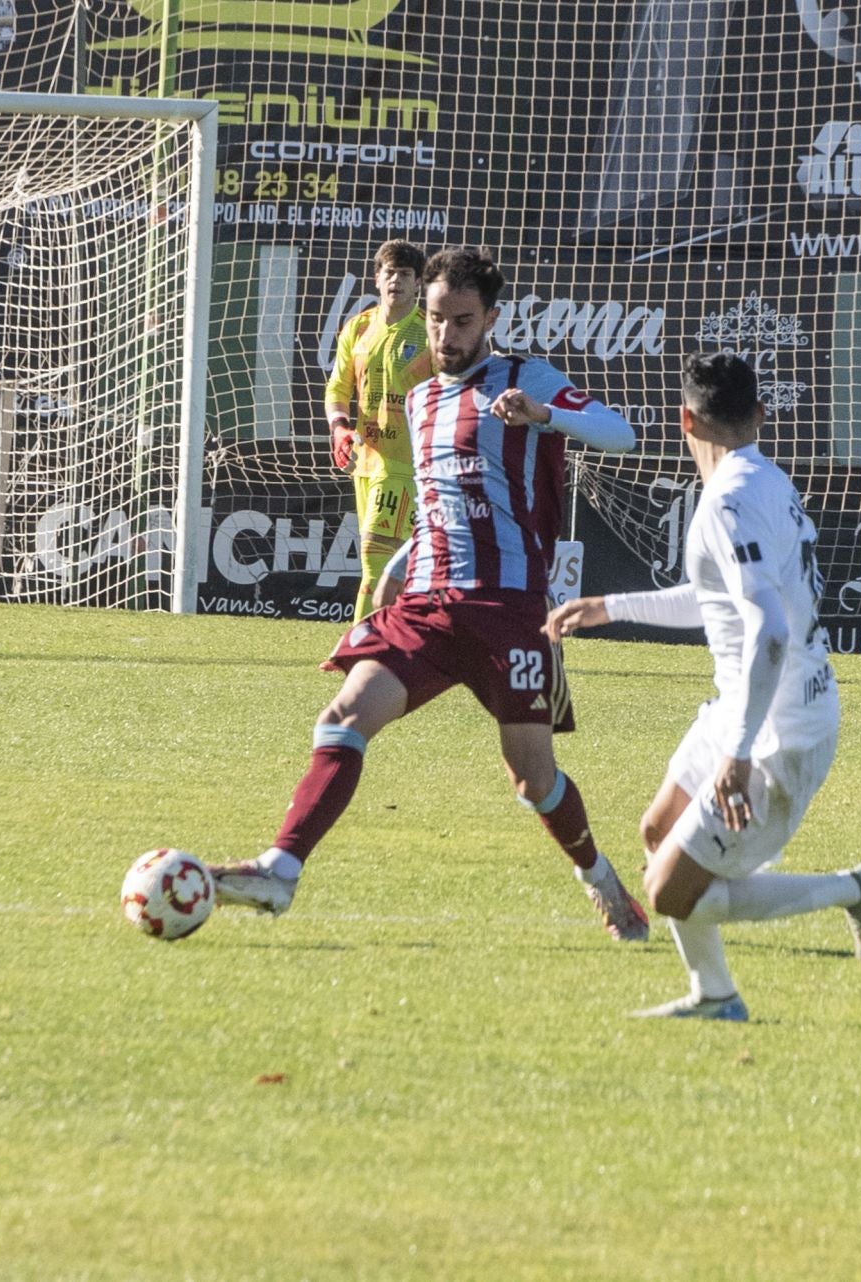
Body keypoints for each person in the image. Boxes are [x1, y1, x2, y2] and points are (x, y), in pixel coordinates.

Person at [212, 245, 651, 942]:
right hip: (429, 603)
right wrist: (404, 560)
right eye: (438, 318)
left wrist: (544, 416)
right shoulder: (419, 400)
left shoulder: (524, 378)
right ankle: (279, 870)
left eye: (462, 321)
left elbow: (621, 434)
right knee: (344, 715)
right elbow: (444, 497)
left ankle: (602, 881)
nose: (445, 336)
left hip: (508, 613)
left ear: (492, 320)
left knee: (533, 781)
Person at [545, 352, 861, 1020]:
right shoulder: (765, 480)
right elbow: (722, 603)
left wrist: (737, 755)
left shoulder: (726, 505)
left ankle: (856, 890)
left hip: (776, 734)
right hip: (746, 708)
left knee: (670, 891)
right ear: (761, 416)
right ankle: (715, 995)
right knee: (658, 832)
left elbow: (768, 632)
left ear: (684, 421)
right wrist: (611, 607)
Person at [325, 239, 435, 621]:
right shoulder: (358, 328)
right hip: (365, 462)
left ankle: (360, 649)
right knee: (386, 568)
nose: (396, 281)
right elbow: (337, 389)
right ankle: (407, 644)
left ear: (418, 282)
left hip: (405, 466)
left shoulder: (429, 333)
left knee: (375, 563)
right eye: (390, 273)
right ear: (377, 278)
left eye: (405, 274)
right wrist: (339, 428)